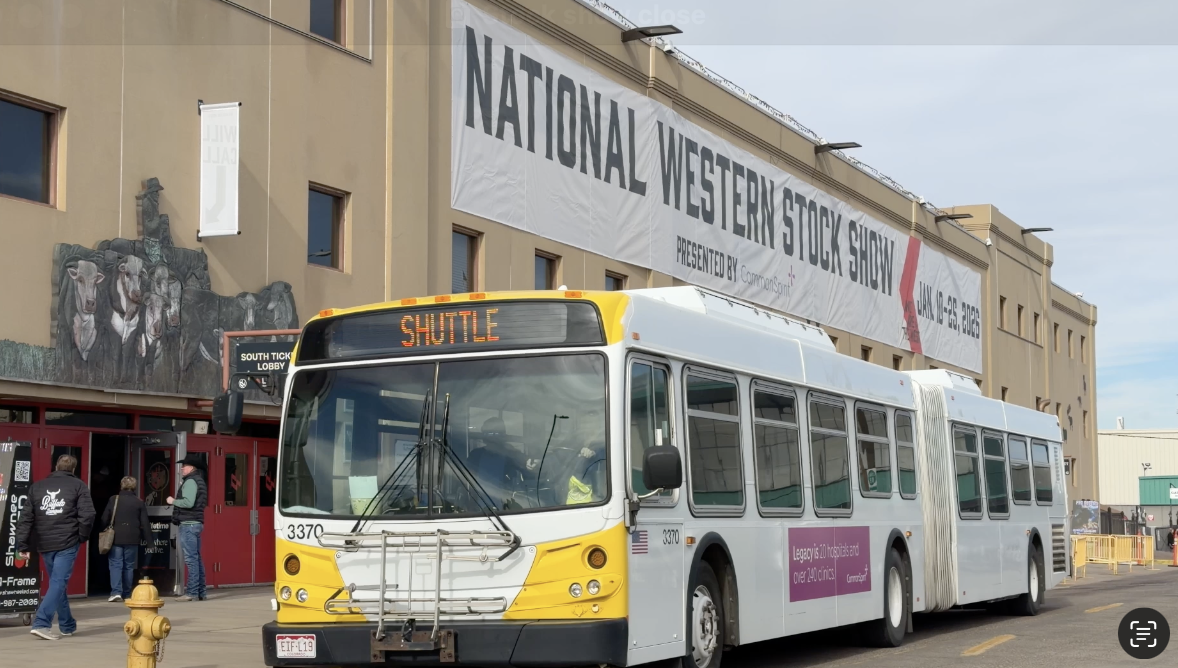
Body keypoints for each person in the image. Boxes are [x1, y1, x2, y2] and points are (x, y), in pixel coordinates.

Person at [15, 454, 95, 640]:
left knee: (57, 584)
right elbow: (88, 515)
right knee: (58, 583)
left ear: (56, 466)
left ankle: (67, 624)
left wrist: (22, 545)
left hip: (45, 542)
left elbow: (26, 518)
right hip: (67, 542)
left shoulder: (37, 487)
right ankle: (42, 623)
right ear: (73, 469)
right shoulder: (79, 486)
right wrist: (82, 536)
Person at [100, 476, 151, 602]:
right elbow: (145, 523)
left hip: (116, 537)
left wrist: (103, 528)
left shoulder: (114, 499)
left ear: (121, 485)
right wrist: (150, 542)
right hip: (133, 538)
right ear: (134, 487)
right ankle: (127, 593)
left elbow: (104, 518)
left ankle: (116, 592)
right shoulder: (139, 502)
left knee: (116, 564)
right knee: (129, 566)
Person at [167, 455, 207, 602]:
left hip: (189, 524)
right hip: (195, 523)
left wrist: (173, 501)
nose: (182, 468)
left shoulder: (190, 482)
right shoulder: (199, 480)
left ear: (192, 468)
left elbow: (189, 502)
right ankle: (200, 592)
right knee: (196, 559)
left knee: (191, 559)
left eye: (184, 466)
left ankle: (191, 593)